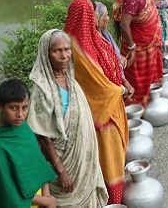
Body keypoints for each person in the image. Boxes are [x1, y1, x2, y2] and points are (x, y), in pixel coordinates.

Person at [27, 29, 108, 208]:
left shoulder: (71, 82)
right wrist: (61, 171)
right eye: (57, 51)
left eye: (67, 50)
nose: (64, 56)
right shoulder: (42, 89)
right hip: (64, 164)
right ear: (46, 54)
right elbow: (42, 135)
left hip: (82, 160)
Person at [64, 0, 131, 204]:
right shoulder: (76, 46)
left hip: (111, 103)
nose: (94, 16)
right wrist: (118, 89)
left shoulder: (94, 37)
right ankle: (111, 200)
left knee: (114, 156)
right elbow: (95, 83)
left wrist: (121, 84)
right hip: (101, 112)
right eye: (90, 12)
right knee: (109, 159)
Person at [0, 79, 58, 208]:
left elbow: (38, 166)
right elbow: (5, 192)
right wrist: (45, 201)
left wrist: (46, 195)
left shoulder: (24, 129)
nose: (20, 114)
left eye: (24, 108)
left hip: (38, 199)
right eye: (13, 108)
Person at [113, 0, 164, 106]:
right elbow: (124, 24)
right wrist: (132, 46)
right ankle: (137, 108)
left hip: (149, 44)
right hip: (138, 47)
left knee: (150, 76)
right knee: (139, 78)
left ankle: (151, 101)